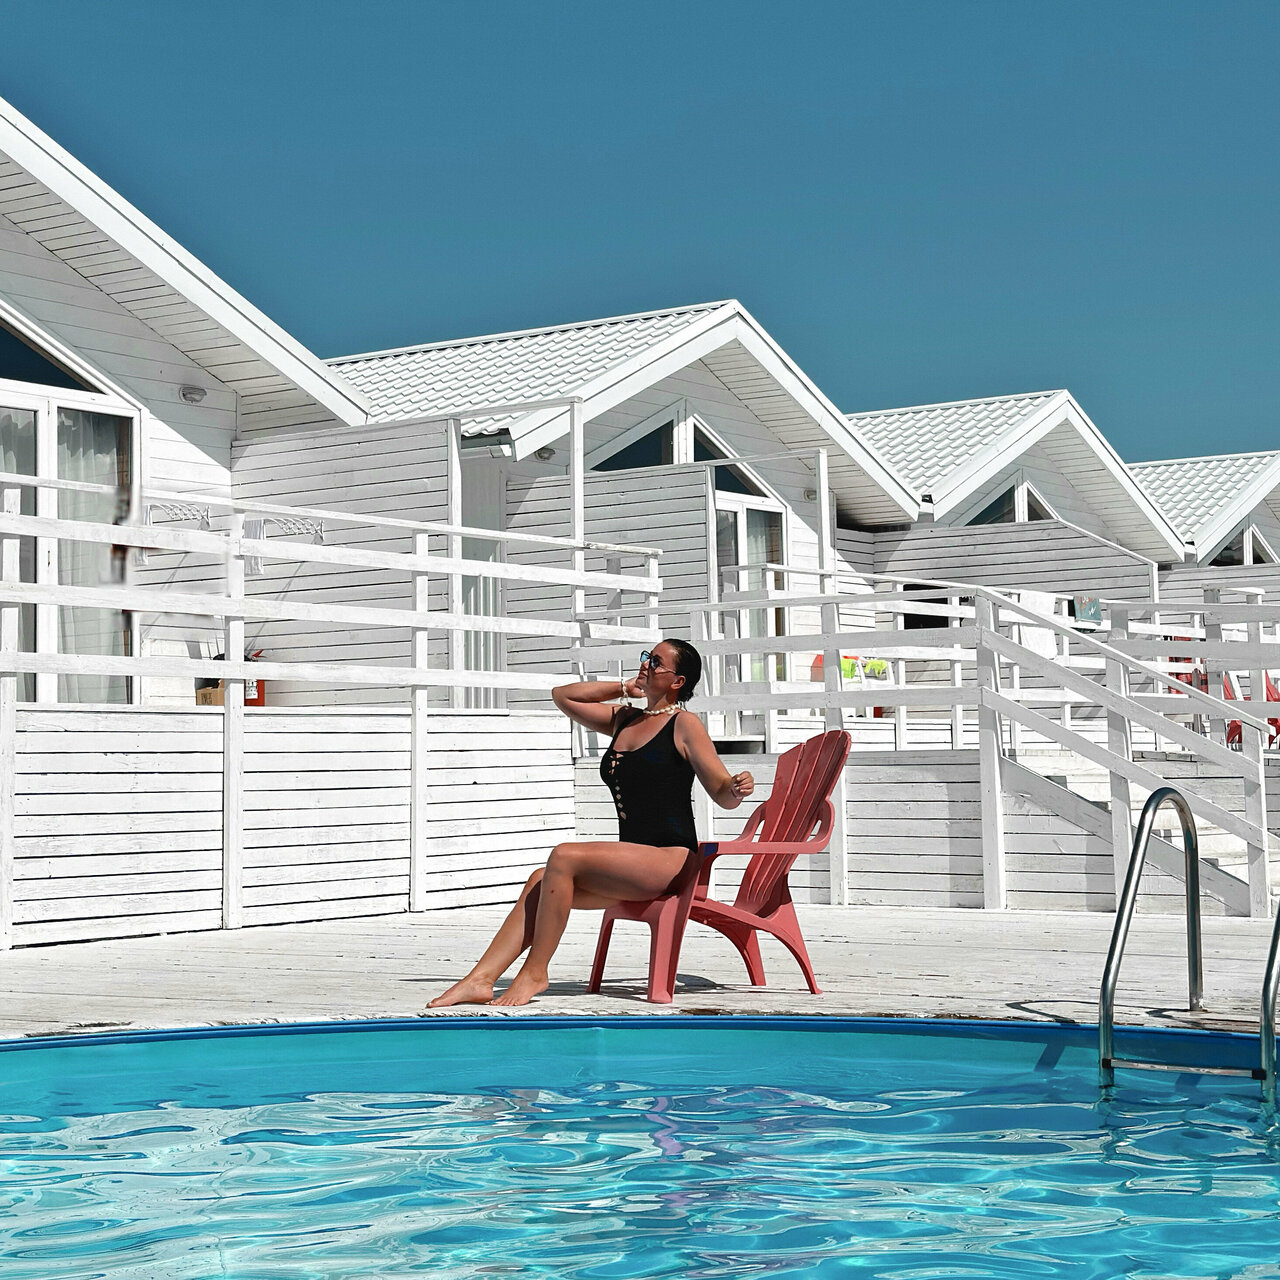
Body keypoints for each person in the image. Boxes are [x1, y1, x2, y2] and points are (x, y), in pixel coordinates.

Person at [429, 638, 755, 1007]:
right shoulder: (625, 719)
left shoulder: (684, 724)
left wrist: (735, 788)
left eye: (656, 662)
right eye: (646, 657)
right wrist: (623, 687)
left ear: (678, 681)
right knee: (540, 880)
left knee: (564, 855)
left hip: (670, 859)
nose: (646, 664)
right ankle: (480, 979)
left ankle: (535, 973)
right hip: (632, 864)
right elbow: (563, 696)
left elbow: (722, 792)